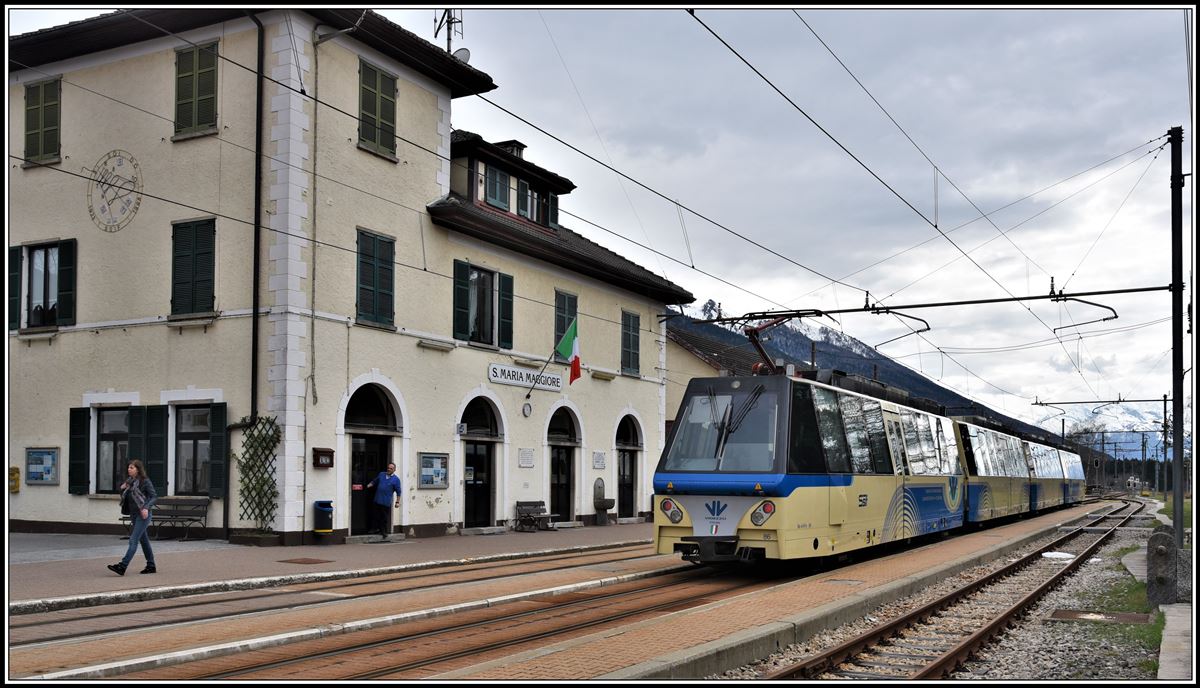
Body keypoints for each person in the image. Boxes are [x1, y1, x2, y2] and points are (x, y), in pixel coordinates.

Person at [108, 460, 158, 575]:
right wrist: (122, 489)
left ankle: (122, 566)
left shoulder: (145, 481)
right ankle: (151, 565)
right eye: (129, 467)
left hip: (143, 515)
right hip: (134, 514)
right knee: (144, 541)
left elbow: (154, 496)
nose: (129, 469)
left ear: (138, 469)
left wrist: (146, 507)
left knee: (133, 540)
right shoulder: (129, 482)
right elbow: (126, 497)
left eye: (131, 467)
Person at [366, 462, 401, 540]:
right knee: (375, 515)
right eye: (388, 468)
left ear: (394, 470)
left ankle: (383, 532)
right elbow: (375, 481)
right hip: (377, 499)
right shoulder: (381, 474)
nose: (389, 469)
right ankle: (374, 529)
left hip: (386, 502)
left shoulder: (396, 480)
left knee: (384, 518)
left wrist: (397, 502)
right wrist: (369, 485)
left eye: (391, 468)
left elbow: (398, 492)